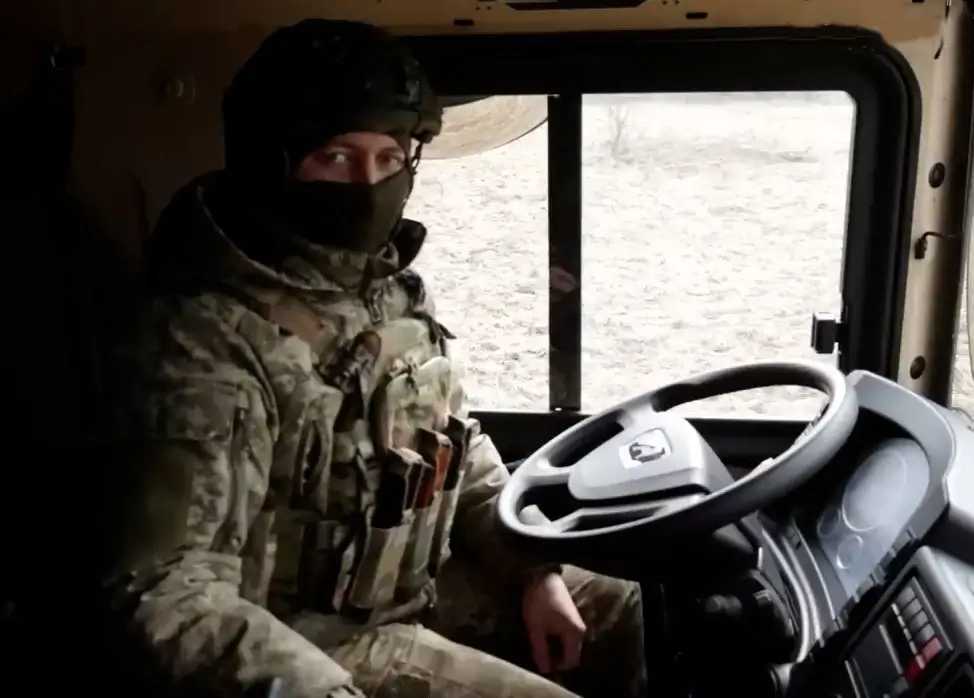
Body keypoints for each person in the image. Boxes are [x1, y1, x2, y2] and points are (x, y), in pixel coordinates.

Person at [96, 17, 647, 698]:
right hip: (305, 633)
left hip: (413, 583)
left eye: (389, 158)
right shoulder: (201, 338)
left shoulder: (387, 291)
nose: (366, 183)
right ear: (271, 161)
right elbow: (164, 588)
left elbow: (459, 452)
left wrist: (534, 572)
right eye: (335, 157)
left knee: (619, 607)